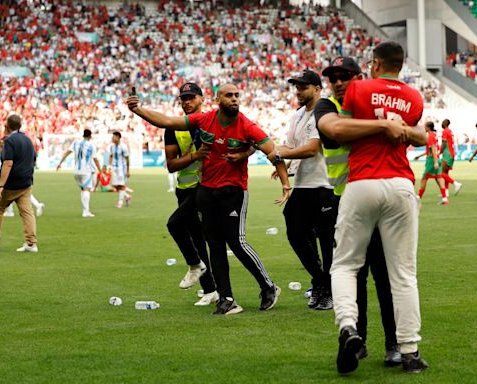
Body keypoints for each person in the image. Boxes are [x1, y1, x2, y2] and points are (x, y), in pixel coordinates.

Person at [127, 83, 290, 315]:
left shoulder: (247, 125)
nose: (234, 99)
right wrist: (138, 110)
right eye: (229, 95)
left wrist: (285, 183)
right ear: (216, 99)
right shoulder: (204, 120)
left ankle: (269, 287)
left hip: (233, 191)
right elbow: (166, 121)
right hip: (206, 191)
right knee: (214, 245)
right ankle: (227, 299)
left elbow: (273, 152)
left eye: (237, 95)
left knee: (237, 242)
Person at [319, 42, 429, 374]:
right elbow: (419, 135)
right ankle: (409, 349)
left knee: (344, 266)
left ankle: (349, 326)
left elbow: (343, 133)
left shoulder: (359, 89)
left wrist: (378, 125)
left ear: (375, 63)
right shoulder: (415, 97)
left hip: (362, 181)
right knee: (404, 273)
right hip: (400, 183)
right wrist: (393, 127)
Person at [315, 56, 400, 367]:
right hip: (343, 203)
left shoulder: (370, 106)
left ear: (360, 77)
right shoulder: (326, 107)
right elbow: (336, 133)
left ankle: (393, 342)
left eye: (345, 76)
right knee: (355, 275)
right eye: (333, 77)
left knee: (383, 276)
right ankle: (356, 340)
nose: (338, 82)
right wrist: (381, 126)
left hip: (377, 200)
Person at [267, 69, 335, 310]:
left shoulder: (323, 113)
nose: (298, 91)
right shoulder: (296, 116)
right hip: (303, 184)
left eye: (303, 87)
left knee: (327, 242)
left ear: (317, 89)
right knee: (296, 233)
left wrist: (283, 153)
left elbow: (311, 149)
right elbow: (292, 145)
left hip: (324, 185)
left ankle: (328, 290)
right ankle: (320, 280)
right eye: (296, 86)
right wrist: (285, 161)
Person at [164, 82, 218, 306]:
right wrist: (195, 157)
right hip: (184, 189)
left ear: (201, 99)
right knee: (198, 238)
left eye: (191, 97)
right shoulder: (173, 127)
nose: (187, 102)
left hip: (206, 188)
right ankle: (211, 290)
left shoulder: (213, 122)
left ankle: (197, 267)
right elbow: (171, 165)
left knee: (175, 224)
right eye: (183, 98)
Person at [0, 114, 38, 253]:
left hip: (11, 184)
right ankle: (31, 244)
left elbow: (8, 163)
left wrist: (1, 185)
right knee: (27, 212)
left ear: (7, 126)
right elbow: (33, 160)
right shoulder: (28, 139)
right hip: (26, 183)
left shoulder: (10, 140)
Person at [56, 129, 101, 217]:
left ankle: (85, 210)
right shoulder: (91, 145)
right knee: (87, 189)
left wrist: (60, 163)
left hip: (76, 171)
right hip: (86, 170)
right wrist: (100, 170)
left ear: (83, 135)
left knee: (83, 189)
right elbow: (95, 159)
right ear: (90, 136)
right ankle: (86, 212)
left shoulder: (76, 142)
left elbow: (67, 152)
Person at [414, 122, 449, 205]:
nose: (423, 128)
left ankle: (418, 197)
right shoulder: (434, 135)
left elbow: (433, 148)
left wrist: (435, 162)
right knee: (439, 178)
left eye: (424, 126)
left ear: (428, 128)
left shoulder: (430, 136)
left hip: (432, 160)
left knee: (424, 178)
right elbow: (430, 149)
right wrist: (419, 156)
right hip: (436, 158)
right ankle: (444, 198)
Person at [108, 131, 131, 208]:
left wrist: (128, 170)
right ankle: (127, 196)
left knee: (121, 185)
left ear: (118, 138)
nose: (112, 138)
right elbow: (111, 156)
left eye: (113, 137)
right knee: (115, 185)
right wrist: (109, 165)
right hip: (114, 167)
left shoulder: (123, 147)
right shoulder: (111, 146)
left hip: (122, 168)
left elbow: (127, 159)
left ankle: (120, 202)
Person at [439, 119, 462, 196]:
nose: (441, 124)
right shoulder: (450, 131)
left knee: (441, 173)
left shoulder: (445, 131)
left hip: (447, 154)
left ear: (445, 124)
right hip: (451, 153)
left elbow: (444, 143)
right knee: (446, 173)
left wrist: (440, 152)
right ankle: (446, 192)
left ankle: (455, 183)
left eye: (442, 122)